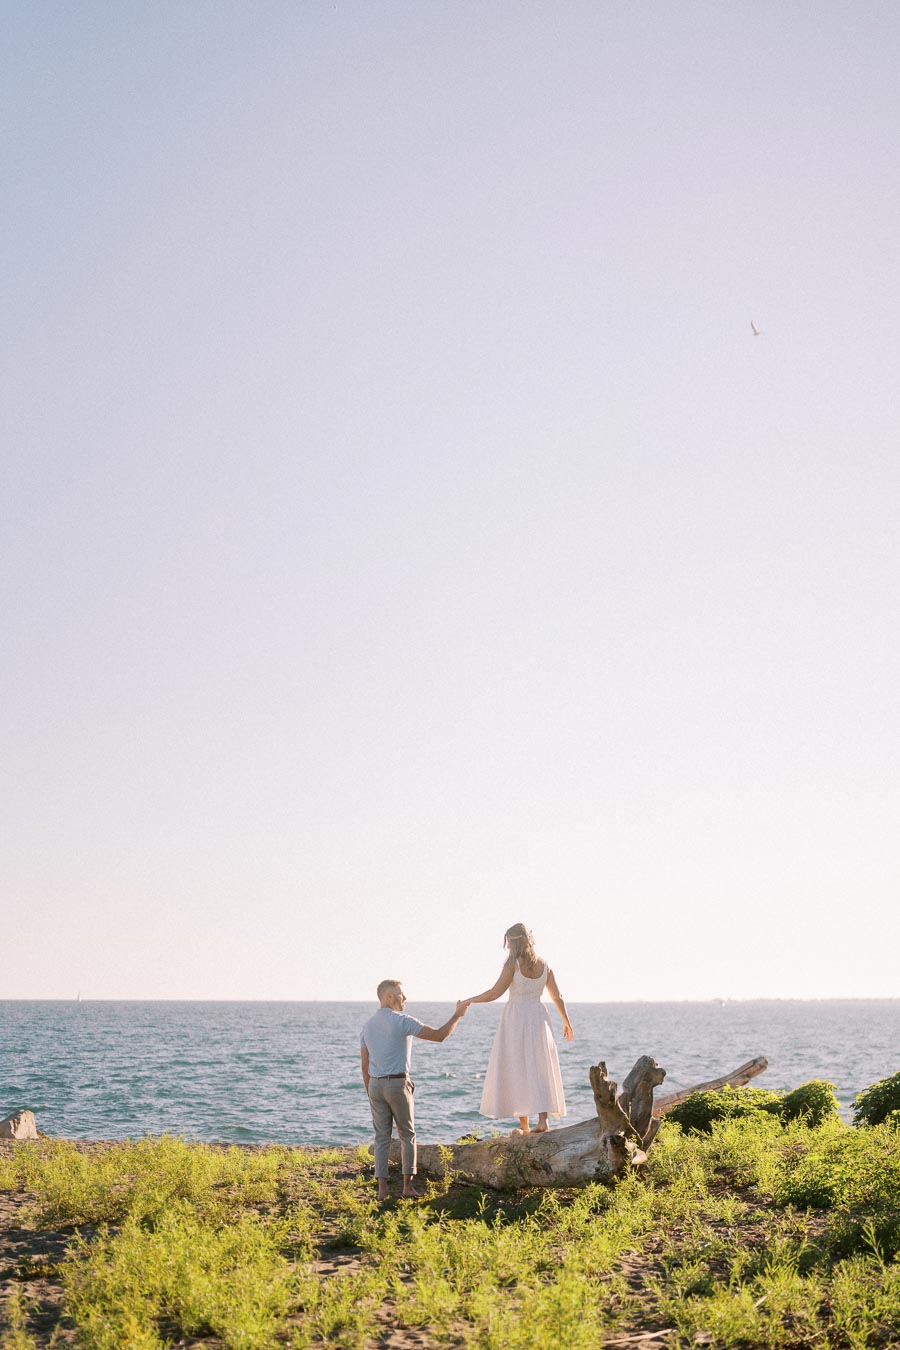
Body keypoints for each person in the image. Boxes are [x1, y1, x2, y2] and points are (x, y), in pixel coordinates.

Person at [360, 979, 468, 1199]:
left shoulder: (367, 1025)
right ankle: (407, 1187)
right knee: (407, 1135)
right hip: (398, 1084)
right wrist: (457, 1015)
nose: (405, 998)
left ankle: (382, 1190)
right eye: (401, 994)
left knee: (381, 1138)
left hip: (375, 1086)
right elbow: (440, 1036)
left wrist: (370, 1091)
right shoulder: (402, 1021)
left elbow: (364, 1064)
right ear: (389, 996)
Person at [464, 923, 573, 1134]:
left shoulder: (513, 964)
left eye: (508, 943)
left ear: (514, 943)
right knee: (540, 1068)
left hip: (516, 1019)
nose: (507, 948)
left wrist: (469, 1000)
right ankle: (543, 1121)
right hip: (539, 1018)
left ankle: (525, 1125)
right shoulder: (545, 965)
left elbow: (494, 993)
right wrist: (566, 1020)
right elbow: (557, 996)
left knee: (518, 1067)